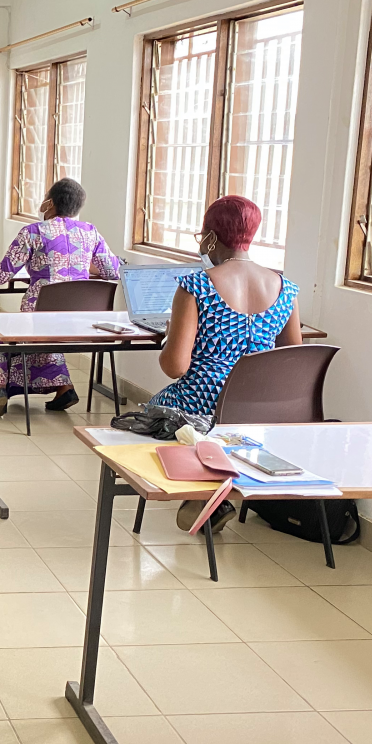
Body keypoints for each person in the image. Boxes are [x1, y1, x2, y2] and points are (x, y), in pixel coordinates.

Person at [149, 195, 301, 533]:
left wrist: (170, 340)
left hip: (201, 404)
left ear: (212, 237)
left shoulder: (197, 286)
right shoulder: (285, 289)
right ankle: (216, 482)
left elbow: (175, 367)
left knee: (150, 411)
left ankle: (204, 489)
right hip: (257, 407)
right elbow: (293, 362)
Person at [0, 178, 119, 416]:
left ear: (50, 203)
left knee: (4, 337)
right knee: (44, 338)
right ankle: (64, 388)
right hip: (83, 321)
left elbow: (0, 275)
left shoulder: (32, 232)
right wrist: (80, 265)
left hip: (41, 315)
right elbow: (112, 271)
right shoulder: (90, 233)